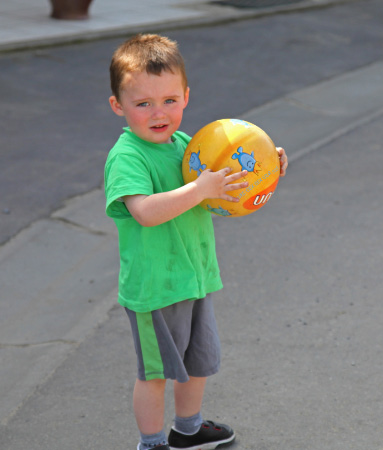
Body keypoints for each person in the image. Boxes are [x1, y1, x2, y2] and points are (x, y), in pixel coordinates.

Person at [104, 33, 288, 450]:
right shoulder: (128, 156)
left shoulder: (190, 146)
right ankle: (151, 444)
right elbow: (145, 211)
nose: (159, 113)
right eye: (143, 103)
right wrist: (201, 188)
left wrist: (266, 168)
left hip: (195, 276)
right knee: (154, 374)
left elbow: (225, 192)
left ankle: (187, 429)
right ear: (119, 106)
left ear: (186, 96)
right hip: (155, 288)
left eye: (169, 100)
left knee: (196, 364)